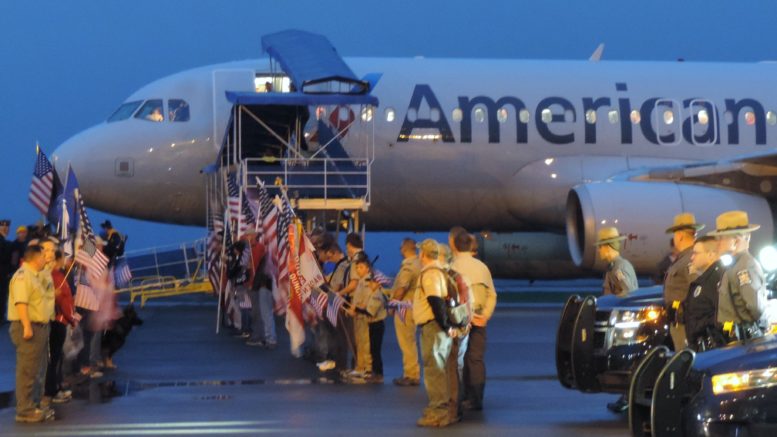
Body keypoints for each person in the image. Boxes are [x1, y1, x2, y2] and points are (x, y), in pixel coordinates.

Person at [8, 245, 55, 422]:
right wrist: (27, 326)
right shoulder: (23, 276)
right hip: (29, 328)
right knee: (27, 370)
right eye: (43, 255)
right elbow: (21, 303)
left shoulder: (35, 276)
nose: (46, 258)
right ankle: (25, 410)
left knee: (37, 369)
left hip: (40, 328)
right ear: (35, 258)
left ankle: (32, 405)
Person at [452, 232, 495, 414]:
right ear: (471, 247)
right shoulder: (482, 267)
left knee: (456, 361)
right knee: (475, 359)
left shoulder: (451, 267)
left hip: (458, 320)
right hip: (478, 318)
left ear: (454, 245)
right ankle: (476, 399)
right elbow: (492, 294)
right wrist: (485, 315)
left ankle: (459, 397)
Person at [709, 210, 768, 342]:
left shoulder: (745, 267)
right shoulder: (736, 265)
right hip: (735, 336)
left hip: (743, 339)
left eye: (721, 238)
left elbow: (755, 308)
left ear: (735, 241)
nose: (717, 243)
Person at [414, 239, 454, 427]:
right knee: (437, 369)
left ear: (423, 254)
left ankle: (439, 412)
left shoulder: (430, 274)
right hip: (436, 327)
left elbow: (435, 301)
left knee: (434, 370)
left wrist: (445, 326)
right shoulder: (439, 270)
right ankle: (438, 408)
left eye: (419, 252)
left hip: (433, 327)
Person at [662, 213, 704, 351]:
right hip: (679, 321)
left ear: (679, 236)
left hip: (685, 324)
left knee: (685, 359)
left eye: (674, 235)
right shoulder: (684, 258)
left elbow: (697, 291)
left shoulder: (690, 260)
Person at [349, 253, 387, 384]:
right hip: (360, 317)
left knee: (369, 345)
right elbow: (358, 299)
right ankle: (361, 366)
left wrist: (358, 308)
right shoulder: (360, 282)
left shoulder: (371, 283)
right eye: (357, 268)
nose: (358, 270)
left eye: (360, 267)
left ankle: (369, 368)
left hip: (369, 319)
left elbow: (371, 304)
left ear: (367, 269)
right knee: (360, 342)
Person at [45, 250, 76, 405]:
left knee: (56, 357)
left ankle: (55, 387)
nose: (66, 260)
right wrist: (71, 318)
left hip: (59, 320)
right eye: (64, 257)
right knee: (55, 358)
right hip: (59, 320)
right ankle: (51, 390)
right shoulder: (56, 276)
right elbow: (63, 300)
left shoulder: (57, 275)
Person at [318, 234, 353, 374]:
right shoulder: (339, 265)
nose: (328, 259)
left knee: (340, 336)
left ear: (334, 252)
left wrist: (331, 291)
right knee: (335, 335)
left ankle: (341, 364)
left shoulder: (343, 265)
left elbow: (337, 284)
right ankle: (336, 361)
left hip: (339, 303)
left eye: (329, 256)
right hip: (335, 301)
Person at [683, 236, 725, 351]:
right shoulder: (706, 278)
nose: (691, 258)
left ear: (710, 255)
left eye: (696, 253)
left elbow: (720, 314)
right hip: (700, 345)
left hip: (711, 347)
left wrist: (700, 327)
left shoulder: (717, 278)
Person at [390, 238, 421, 387]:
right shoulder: (419, 264)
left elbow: (402, 288)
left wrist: (392, 305)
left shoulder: (408, 267)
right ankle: (412, 372)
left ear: (404, 249)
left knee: (407, 342)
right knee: (411, 341)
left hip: (405, 308)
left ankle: (411, 374)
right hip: (416, 306)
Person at [596, 227, 638, 297]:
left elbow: (628, 291)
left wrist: (614, 299)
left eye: (600, 246)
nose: (599, 250)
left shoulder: (618, 269)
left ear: (608, 247)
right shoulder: (612, 267)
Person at [1, 219, 12, 324]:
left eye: (7, 226)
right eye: (2, 226)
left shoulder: (7, 243)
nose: (5, 228)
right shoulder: (6, 244)